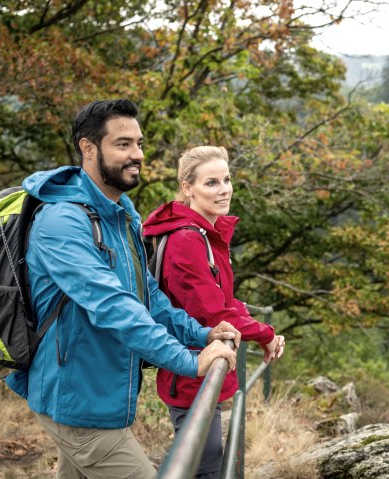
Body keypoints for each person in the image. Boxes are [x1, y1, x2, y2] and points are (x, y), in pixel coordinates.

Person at [6, 100, 241, 479]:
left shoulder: (121, 213)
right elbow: (113, 305)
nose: (137, 155)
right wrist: (188, 360)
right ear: (88, 148)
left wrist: (200, 332)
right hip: (77, 403)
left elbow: (145, 293)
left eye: (139, 143)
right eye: (123, 144)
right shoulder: (61, 221)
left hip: (101, 399)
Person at [143, 145, 286, 478]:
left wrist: (260, 329)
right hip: (190, 371)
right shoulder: (187, 240)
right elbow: (213, 314)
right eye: (211, 182)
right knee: (202, 466)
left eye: (226, 179)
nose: (223, 189)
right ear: (188, 188)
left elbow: (224, 299)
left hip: (201, 368)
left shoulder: (208, 234)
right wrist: (265, 334)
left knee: (207, 461)